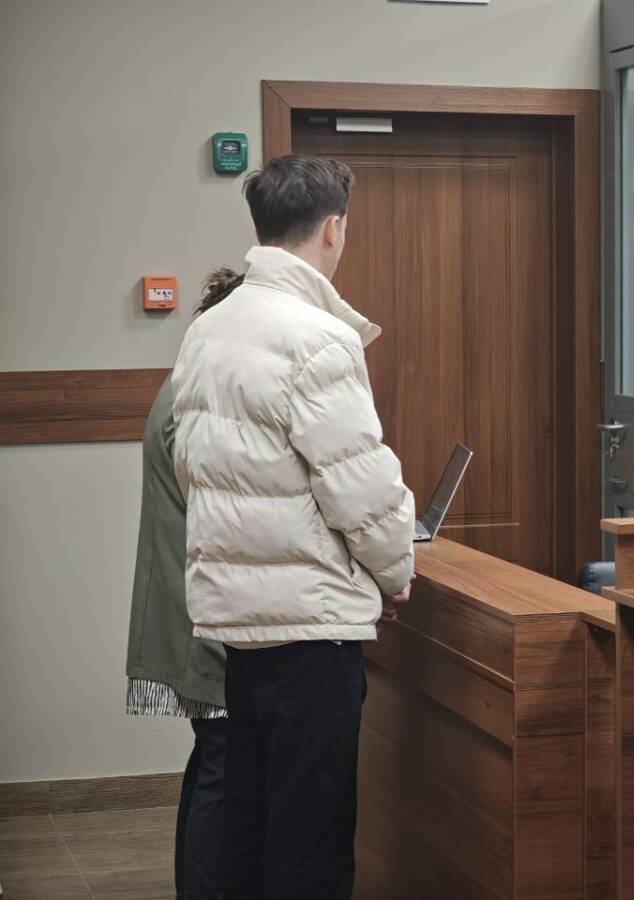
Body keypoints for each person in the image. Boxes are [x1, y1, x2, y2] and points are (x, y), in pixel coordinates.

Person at [171, 155, 416, 899]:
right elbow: (359, 486)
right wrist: (394, 572)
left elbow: (191, 465)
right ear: (333, 228)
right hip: (312, 630)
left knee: (249, 826)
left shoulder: (210, 329)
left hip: (239, 626)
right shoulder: (317, 336)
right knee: (311, 840)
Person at [125, 268, 243, 900]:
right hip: (202, 616)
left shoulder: (184, 383)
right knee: (222, 767)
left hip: (188, 606)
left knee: (211, 762)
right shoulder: (198, 397)